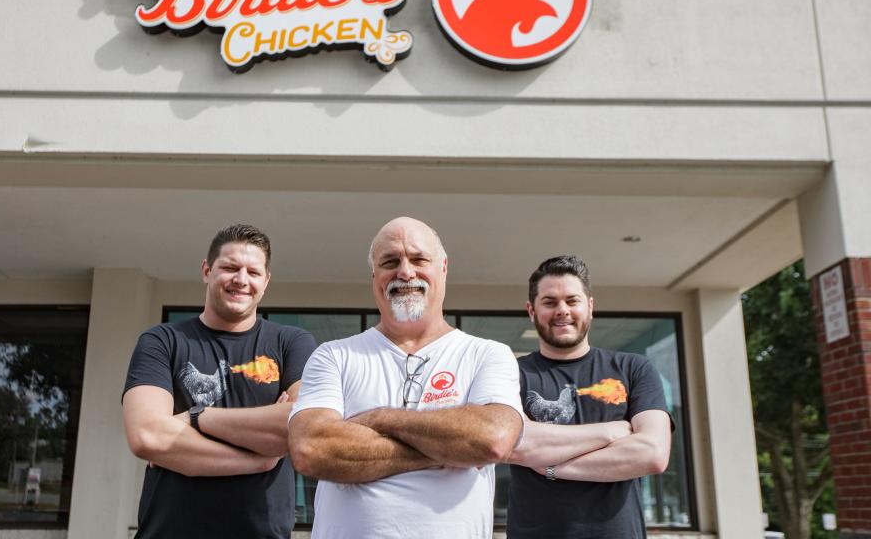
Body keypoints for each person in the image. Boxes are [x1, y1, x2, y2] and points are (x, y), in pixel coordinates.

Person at [288, 216, 524, 539]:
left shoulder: (487, 355)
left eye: (418, 258)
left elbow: (492, 439)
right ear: (374, 276)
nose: (405, 271)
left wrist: (380, 418)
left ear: (443, 268)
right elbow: (311, 449)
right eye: (390, 261)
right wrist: (447, 451)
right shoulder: (334, 356)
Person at [122, 224, 317, 539]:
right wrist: (259, 459)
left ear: (265, 281)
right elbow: (146, 435)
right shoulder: (163, 340)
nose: (241, 280)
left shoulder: (290, 343)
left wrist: (196, 418)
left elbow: (302, 425)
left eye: (253, 272)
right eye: (229, 268)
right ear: (206, 271)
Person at [506, 255, 673, 538]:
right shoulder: (511, 374)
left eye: (572, 300)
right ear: (531, 311)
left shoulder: (634, 368)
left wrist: (550, 467)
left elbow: (652, 454)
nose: (562, 310)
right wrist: (611, 432)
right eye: (549, 302)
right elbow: (516, 447)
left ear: (590, 307)